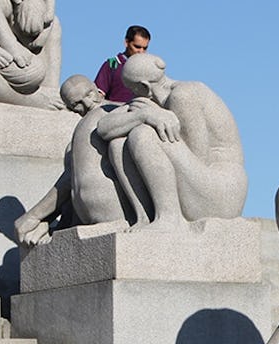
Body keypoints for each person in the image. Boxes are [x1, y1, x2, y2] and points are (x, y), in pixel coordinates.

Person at [95, 53, 247, 231]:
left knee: (142, 135)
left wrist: (148, 119)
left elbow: (198, 157)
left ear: (143, 86)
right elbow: (104, 128)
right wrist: (143, 115)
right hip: (199, 184)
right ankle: (144, 217)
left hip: (222, 192)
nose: (133, 96)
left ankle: (169, 218)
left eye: (133, 90)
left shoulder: (183, 96)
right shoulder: (153, 104)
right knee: (118, 144)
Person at [15, 75, 146, 246]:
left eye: (89, 95)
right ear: (70, 108)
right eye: (76, 103)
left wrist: (33, 215)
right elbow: (68, 182)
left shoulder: (113, 111)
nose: (86, 104)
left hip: (114, 213)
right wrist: (42, 217)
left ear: (96, 90)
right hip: (83, 215)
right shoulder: (80, 133)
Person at [95, 25, 150, 103]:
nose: (141, 52)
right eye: (137, 47)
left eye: (145, 48)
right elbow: (98, 96)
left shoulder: (148, 69)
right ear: (126, 42)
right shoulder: (112, 64)